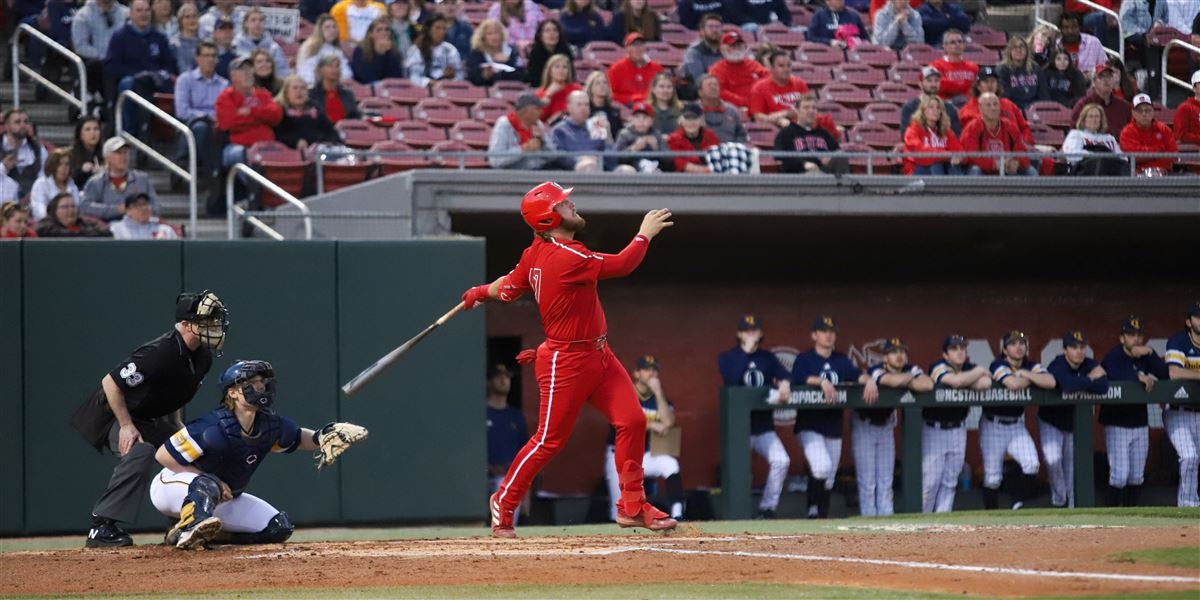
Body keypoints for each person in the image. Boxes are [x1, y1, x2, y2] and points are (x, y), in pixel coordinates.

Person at [460, 181, 677, 538]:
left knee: (633, 420)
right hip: (567, 362)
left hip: (599, 355)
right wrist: (644, 234)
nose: (571, 204)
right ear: (548, 219)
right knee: (549, 440)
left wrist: (478, 292)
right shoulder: (567, 256)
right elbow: (623, 264)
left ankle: (633, 505)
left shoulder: (536, 251)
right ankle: (504, 499)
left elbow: (509, 288)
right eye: (563, 203)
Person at [151, 360, 367, 549]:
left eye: (261, 382)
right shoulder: (211, 426)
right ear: (232, 392)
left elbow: (298, 438)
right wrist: (208, 479)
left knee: (277, 528)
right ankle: (189, 526)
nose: (260, 386)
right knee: (207, 484)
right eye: (251, 383)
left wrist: (322, 436)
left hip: (224, 498)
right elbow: (163, 456)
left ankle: (198, 533)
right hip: (171, 486)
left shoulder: (269, 425)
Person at [69, 291, 227, 548]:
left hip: (150, 417)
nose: (215, 326)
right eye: (207, 321)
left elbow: (172, 393)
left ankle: (186, 522)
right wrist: (126, 426)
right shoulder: (160, 352)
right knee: (140, 450)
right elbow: (111, 383)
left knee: (193, 453)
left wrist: (177, 429)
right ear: (186, 325)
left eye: (215, 321)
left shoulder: (202, 356)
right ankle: (101, 526)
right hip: (112, 414)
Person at [790, 316, 876, 519]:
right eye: (824, 331)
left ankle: (821, 516)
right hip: (809, 425)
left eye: (832, 331)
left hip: (833, 425)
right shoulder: (805, 358)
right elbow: (797, 377)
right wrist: (820, 381)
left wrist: (870, 380)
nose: (829, 335)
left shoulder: (840, 360)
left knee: (828, 477)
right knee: (820, 468)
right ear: (814, 335)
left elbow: (856, 375)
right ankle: (812, 509)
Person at [716, 315, 792, 519]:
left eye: (755, 330)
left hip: (762, 426)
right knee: (740, 472)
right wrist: (746, 352)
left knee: (781, 460)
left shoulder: (767, 357)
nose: (751, 334)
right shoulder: (728, 357)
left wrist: (784, 382)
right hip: (738, 429)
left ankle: (767, 508)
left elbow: (786, 374)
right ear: (739, 334)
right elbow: (731, 379)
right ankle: (737, 513)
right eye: (747, 331)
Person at [604, 355, 686, 521]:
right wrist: (651, 425)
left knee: (670, 464)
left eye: (654, 370)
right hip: (619, 456)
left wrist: (658, 392)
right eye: (647, 369)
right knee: (619, 512)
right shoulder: (625, 393)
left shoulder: (660, 399)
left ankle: (678, 514)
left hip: (646, 455)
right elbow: (622, 421)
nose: (651, 373)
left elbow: (669, 422)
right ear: (636, 373)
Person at [1099, 316, 1170, 507]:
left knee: (1137, 476)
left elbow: (1165, 374)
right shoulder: (1114, 356)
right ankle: (1110, 516)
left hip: (1139, 423)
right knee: (1119, 476)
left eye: (1139, 335)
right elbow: (1114, 374)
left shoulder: (1146, 355)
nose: (1136, 339)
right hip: (1117, 424)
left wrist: (1152, 353)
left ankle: (1130, 517)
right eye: (1131, 335)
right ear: (1122, 338)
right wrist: (1138, 376)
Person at [977, 331, 1051, 511]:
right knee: (993, 477)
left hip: (1016, 425)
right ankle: (990, 516)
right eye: (1013, 344)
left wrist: (1024, 374)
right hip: (992, 424)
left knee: (1032, 464)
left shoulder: (1029, 365)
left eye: (1021, 343)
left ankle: (1017, 504)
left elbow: (1050, 381)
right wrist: (1032, 379)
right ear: (1004, 349)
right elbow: (1013, 384)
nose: (1018, 347)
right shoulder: (998, 364)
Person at [859, 338, 932, 517]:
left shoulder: (910, 369)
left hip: (885, 428)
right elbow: (890, 381)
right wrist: (910, 380)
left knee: (885, 479)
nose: (899, 356)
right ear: (885, 357)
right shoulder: (875, 369)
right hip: (864, 426)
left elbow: (928, 384)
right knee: (867, 481)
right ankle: (867, 519)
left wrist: (906, 380)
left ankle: (886, 517)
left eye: (902, 352)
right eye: (893, 352)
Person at [923, 334, 990, 513]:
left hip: (958, 429)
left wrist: (968, 378)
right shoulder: (937, 366)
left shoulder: (969, 367)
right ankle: (921, 523)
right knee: (930, 482)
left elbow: (986, 383)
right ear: (945, 355)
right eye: (954, 348)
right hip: (934, 429)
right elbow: (956, 381)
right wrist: (977, 372)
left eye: (962, 348)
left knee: (951, 480)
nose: (960, 352)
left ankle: (942, 523)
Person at [1044, 330, 1108, 508]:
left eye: (1082, 347)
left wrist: (1086, 380)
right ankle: (1059, 499)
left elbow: (1103, 386)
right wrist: (1089, 379)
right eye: (1074, 347)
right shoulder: (1057, 364)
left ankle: (1072, 512)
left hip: (1074, 426)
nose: (1079, 351)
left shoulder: (1089, 363)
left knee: (1072, 471)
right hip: (1052, 423)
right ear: (1065, 350)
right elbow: (1067, 385)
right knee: (1053, 459)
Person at [104, 0, 178, 137]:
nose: (144, 14)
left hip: (155, 81)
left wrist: (159, 74)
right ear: (130, 14)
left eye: (147, 10)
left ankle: (169, 132)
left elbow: (170, 64)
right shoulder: (120, 36)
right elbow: (112, 65)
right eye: (139, 11)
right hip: (132, 81)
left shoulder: (160, 37)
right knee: (128, 84)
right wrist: (137, 74)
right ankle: (130, 131)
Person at [215, 56, 285, 170]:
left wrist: (251, 112)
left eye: (249, 69)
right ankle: (254, 187)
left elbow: (276, 115)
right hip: (241, 147)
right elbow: (228, 123)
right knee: (237, 154)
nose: (248, 73)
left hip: (267, 146)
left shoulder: (262, 94)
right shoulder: (226, 97)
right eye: (243, 70)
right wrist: (262, 118)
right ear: (232, 76)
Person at [174, 41, 229, 183]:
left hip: (218, 125)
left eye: (213, 56)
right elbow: (182, 111)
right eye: (206, 55)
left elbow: (226, 110)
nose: (210, 59)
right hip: (190, 124)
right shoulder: (185, 80)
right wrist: (207, 117)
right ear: (197, 58)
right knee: (201, 128)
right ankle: (212, 173)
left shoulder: (224, 84)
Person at [1165, 302, 1200, 507]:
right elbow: (1174, 372)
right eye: (1198, 317)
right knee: (1189, 457)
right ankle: (1188, 505)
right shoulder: (1178, 341)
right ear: (1189, 322)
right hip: (1179, 412)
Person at [80, 137, 160, 222]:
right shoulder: (95, 182)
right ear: (107, 158)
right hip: (108, 230)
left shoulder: (142, 179)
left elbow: (156, 207)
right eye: (118, 153)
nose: (123, 156)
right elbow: (85, 207)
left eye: (125, 152)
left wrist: (139, 210)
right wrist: (116, 210)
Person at [486, 362, 528, 524]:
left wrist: (527, 495)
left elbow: (525, 453)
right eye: (499, 377)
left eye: (507, 377)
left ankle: (504, 528)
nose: (504, 380)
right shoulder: (481, 413)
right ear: (489, 381)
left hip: (508, 477)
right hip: (484, 477)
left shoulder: (515, 416)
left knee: (506, 483)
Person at [960, 92, 1037, 177]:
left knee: (1030, 171)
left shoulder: (1010, 127)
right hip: (983, 170)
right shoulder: (972, 128)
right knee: (975, 170)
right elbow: (971, 156)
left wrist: (1016, 163)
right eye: (988, 105)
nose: (993, 108)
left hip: (1007, 168)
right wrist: (995, 164)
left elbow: (1021, 152)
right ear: (980, 108)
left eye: (995, 104)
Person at [72, 0, 130, 106]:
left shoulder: (126, 14)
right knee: (102, 67)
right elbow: (80, 46)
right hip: (96, 63)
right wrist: (106, 56)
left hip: (122, 62)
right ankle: (108, 106)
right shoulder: (83, 15)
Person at [954, 67, 1033, 144]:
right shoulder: (967, 110)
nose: (990, 85)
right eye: (985, 81)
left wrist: (1022, 142)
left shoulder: (1009, 105)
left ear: (997, 85)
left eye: (993, 81)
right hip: (984, 150)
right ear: (978, 86)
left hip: (1013, 149)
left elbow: (1024, 128)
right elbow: (964, 137)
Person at [774, 93, 844, 175]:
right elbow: (779, 158)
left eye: (814, 108)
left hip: (825, 174)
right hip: (800, 177)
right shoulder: (786, 132)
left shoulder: (823, 133)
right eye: (806, 108)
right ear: (797, 111)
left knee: (841, 156)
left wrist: (831, 157)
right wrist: (803, 164)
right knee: (813, 172)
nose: (811, 111)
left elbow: (837, 151)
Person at [488, 92, 557, 170]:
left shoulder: (537, 124)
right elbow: (495, 160)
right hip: (511, 176)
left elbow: (553, 156)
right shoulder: (505, 124)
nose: (541, 112)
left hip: (537, 173)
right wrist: (523, 149)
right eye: (537, 108)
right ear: (525, 111)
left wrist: (543, 141)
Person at [276, 75, 342, 152]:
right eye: (295, 88)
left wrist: (324, 143)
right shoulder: (280, 110)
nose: (299, 91)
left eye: (303, 88)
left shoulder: (316, 109)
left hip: (319, 151)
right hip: (289, 153)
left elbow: (332, 134)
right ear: (286, 92)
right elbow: (278, 135)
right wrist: (295, 142)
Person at [708, 31, 769, 110]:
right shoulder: (716, 69)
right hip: (735, 108)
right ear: (723, 48)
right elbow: (720, 92)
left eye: (739, 46)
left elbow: (768, 79)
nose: (736, 49)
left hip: (759, 104)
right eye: (732, 46)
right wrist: (745, 102)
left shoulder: (754, 64)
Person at [1120, 93, 1178, 175]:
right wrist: (1159, 150)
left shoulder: (1164, 129)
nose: (1144, 114)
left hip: (1165, 173)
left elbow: (1173, 154)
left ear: (1153, 112)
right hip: (1137, 175)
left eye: (1147, 110)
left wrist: (1148, 155)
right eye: (1140, 110)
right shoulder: (1127, 132)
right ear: (1133, 113)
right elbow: (1134, 156)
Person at [903, 95, 963, 175]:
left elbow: (960, 152)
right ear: (923, 111)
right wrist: (946, 155)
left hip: (941, 168)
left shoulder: (945, 131)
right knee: (936, 165)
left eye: (938, 108)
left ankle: (957, 187)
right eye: (931, 107)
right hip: (917, 170)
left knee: (954, 166)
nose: (936, 111)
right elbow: (921, 153)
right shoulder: (913, 130)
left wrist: (958, 158)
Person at [1071, 64, 1134, 138]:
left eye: (1109, 76)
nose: (1106, 80)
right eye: (1101, 77)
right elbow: (1074, 129)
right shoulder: (1083, 104)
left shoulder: (1124, 106)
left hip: (1120, 146)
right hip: (1091, 146)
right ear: (1094, 82)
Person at [749, 50, 809, 128]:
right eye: (781, 66)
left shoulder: (800, 84)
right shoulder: (759, 88)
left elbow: (809, 109)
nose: (786, 69)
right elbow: (757, 117)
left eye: (788, 65)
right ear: (771, 67)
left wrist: (785, 114)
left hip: (802, 127)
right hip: (774, 130)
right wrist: (778, 120)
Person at [1063, 102, 1126, 174]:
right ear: (1084, 120)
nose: (1094, 119)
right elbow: (1072, 155)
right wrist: (1095, 156)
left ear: (1101, 120)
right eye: (1090, 116)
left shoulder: (1109, 138)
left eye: (1097, 116)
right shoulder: (1076, 134)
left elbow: (1122, 158)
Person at [405, 14, 464, 88]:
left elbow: (460, 75)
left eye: (444, 28)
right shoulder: (416, 50)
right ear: (428, 30)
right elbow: (413, 76)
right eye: (437, 28)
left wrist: (451, 78)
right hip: (422, 90)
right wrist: (429, 82)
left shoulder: (450, 50)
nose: (442, 32)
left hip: (446, 90)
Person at [466, 19, 527, 87]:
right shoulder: (476, 53)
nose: (494, 37)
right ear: (483, 37)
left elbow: (521, 74)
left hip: (510, 90)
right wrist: (484, 75)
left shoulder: (512, 51)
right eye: (489, 34)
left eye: (496, 33)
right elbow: (472, 77)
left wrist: (507, 61)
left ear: (502, 34)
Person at [900, 66, 962, 134]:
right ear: (920, 84)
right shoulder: (909, 107)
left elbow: (956, 134)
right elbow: (905, 134)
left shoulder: (949, 108)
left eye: (936, 80)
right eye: (929, 80)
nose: (933, 84)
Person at [608, 33, 664, 106]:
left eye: (641, 44)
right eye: (634, 45)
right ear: (627, 48)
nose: (638, 48)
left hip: (652, 106)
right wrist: (632, 98)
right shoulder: (616, 69)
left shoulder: (656, 68)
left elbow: (664, 90)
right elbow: (610, 94)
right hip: (625, 107)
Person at [233, 8, 291, 79]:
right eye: (253, 20)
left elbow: (282, 71)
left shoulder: (274, 48)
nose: (257, 23)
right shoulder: (235, 45)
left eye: (261, 20)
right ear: (246, 23)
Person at [1, 108, 45, 199]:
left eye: (25, 122)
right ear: (7, 125)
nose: (23, 125)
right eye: (17, 122)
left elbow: (44, 177)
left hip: (31, 200)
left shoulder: (38, 148)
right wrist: (3, 167)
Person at [615, 101, 670, 172]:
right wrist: (634, 148)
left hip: (653, 170)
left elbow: (669, 161)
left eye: (644, 117)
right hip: (632, 171)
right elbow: (616, 158)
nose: (641, 121)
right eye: (637, 117)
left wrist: (656, 148)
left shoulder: (656, 134)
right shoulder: (624, 134)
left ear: (651, 120)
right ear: (632, 119)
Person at [352, 16, 406, 85]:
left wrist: (386, 54)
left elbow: (397, 76)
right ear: (370, 34)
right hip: (367, 89)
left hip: (391, 89)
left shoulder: (394, 51)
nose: (384, 33)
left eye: (387, 29)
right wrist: (380, 54)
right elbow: (365, 77)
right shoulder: (360, 50)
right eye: (379, 30)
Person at [666, 102, 719, 172]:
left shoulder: (710, 136)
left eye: (694, 119)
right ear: (681, 121)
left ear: (701, 121)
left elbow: (717, 157)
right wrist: (703, 170)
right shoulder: (673, 138)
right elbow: (678, 162)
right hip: (683, 178)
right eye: (687, 119)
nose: (691, 123)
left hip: (710, 177)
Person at [29, 149, 80, 221]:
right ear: (52, 166)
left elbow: (77, 209)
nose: (63, 168)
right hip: (47, 225)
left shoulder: (73, 186)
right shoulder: (41, 184)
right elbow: (39, 210)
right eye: (59, 164)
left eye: (67, 164)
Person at [310, 55, 362, 125]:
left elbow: (355, 116)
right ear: (321, 70)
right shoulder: (312, 95)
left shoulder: (347, 94)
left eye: (337, 66)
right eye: (330, 66)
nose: (334, 69)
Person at [33, 193, 112, 237]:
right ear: (54, 211)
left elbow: (106, 232)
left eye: (73, 206)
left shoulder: (83, 223)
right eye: (65, 207)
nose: (71, 210)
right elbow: (61, 234)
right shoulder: (45, 226)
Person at [697, 75, 747, 144]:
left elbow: (742, 136)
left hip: (728, 152)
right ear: (700, 92)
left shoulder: (732, 111)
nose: (713, 87)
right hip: (701, 152)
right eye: (709, 85)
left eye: (715, 85)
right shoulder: (694, 111)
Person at [931, 29, 978, 101]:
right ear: (945, 46)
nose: (957, 44)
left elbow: (976, 88)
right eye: (953, 42)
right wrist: (965, 85)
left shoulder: (973, 67)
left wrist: (953, 85)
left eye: (960, 41)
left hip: (967, 104)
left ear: (964, 45)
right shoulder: (936, 66)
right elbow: (939, 85)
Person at [537, 54, 583, 123]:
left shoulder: (576, 89)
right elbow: (538, 118)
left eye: (564, 67)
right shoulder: (540, 93)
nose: (561, 70)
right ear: (550, 71)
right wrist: (548, 95)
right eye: (557, 67)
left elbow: (583, 110)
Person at [526, 20, 574, 88]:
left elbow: (571, 76)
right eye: (547, 31)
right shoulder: (535, 53)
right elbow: (533, 79)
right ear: (540, 35)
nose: (552, 34)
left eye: (555, 30)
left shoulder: (566, 51)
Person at [997, 36, 1040, 111]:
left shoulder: (1035, 68)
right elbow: (1004, 95)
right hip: (1013, 108)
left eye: (1022, 47)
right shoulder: (1002, 69)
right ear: (1009, 51)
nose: (1019, 50)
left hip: (1034, 108)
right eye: (1014, 47)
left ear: (1027, 50)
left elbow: (1043, 93)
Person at [110, 193, 177, 240]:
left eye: (145, 204)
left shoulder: (165, 230)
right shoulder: (116, 230)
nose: (144, 208)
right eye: (138, 205)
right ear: (128, 211)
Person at [682, 14, 724, 88]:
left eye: (718, 27)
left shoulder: (727, 49)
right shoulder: (693, 51)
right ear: (702, 31)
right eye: (710, 27)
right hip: (702, 90)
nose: (715, 30)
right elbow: (698, 78)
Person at [69, 117, 106, 191]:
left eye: (96, 129)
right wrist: (82, 170)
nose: (93, 133)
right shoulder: (70, 155)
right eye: (88, 129)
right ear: (80, 134)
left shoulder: (105, 153)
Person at [172, 3, 203, 75]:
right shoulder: (174, 44)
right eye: (187, 17)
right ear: (180, 21)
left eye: (194, 16)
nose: (192, 20)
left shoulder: (203, 44)